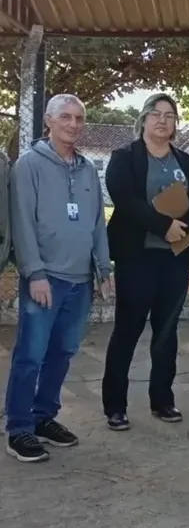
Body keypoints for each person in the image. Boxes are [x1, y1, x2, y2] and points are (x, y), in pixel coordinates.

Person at [4, 94, 111, 463]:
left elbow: (97, 222)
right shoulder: (29, 165)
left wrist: (103, 268)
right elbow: (22, 222)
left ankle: (42, 417)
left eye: (79, 118)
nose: (73, 124)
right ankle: (18, 428)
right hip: (45, 278)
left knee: (63, 352)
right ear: (48, 121)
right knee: (30, 355)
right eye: (65, 117)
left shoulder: (86, 169)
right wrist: (34, 273)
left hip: (81, 280)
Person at [101, 93, 189, 430]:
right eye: (156, 113)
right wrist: (164, 226)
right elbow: (124, 199)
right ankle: (115, 406)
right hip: (137, 257)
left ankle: (162, 400)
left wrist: (182, 228)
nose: (162, 120)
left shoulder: (184, 160)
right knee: (127, 330)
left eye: (169, 115)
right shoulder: (125, 157)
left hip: (175, 258)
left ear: (176, 123)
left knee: (167, 331)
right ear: (144, 119)